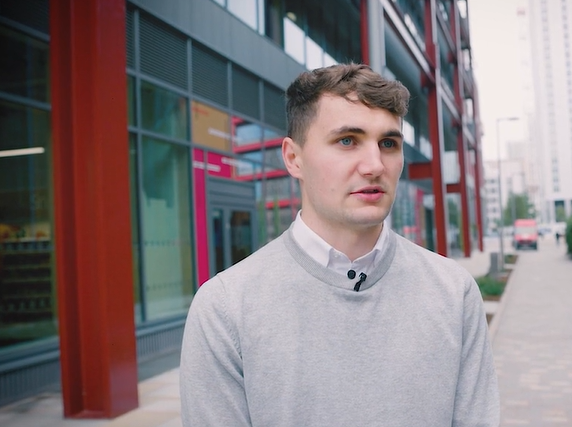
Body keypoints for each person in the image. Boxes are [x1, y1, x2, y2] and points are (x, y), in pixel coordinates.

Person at [180, 63, 499, 427]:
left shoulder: (453, 292)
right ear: (293, 158)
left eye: (388, 143)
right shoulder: (226, 307)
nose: (374, 165)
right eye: (347, 140)